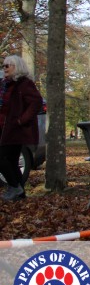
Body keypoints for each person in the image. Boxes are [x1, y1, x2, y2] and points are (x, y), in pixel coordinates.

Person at [0, 55, 42, 201]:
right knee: (11, 161)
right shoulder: (5, 84)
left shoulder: (25, 84)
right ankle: (20, 193)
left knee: (3, 158)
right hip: (3, 128)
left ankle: (14, 187)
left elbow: (36, 103)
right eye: (3, 65)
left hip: (15, 129)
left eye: (7, 65)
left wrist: (20, 120)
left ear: (16, 67)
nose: (4, 68)